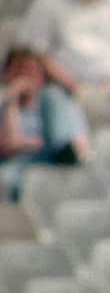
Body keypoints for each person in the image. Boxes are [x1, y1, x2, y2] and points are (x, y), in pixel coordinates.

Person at [0, 45, 90, 199]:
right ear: (6, 74)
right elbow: (7, 146)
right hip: (19, 168)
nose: (24, 76)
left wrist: (27, 144)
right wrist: (11, 102)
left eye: (30, 71)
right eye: (17, 70)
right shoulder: (4, 106)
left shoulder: (58, 103)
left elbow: (78, 146)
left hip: (57, 165)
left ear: (41, 77)